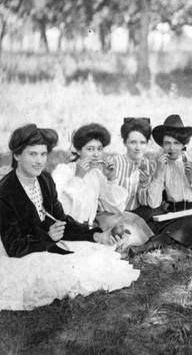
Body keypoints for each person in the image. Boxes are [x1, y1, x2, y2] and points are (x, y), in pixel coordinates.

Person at [0, 124, 139, 311]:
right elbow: (14, 246)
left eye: (43, 154)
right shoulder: (5, 191)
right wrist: (47, 238)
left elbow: (61, 219)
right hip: (23, 250)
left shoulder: (44, 179)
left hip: (48, 242)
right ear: (17, 156)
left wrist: (96, 235)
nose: (39, 161)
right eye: (32, 154)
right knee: (53, 271)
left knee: (97, 258)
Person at [51, 123, 153, 255]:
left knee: (129, 228)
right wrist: (78, 176)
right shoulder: (63, 170)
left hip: (88, 229)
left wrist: (110, 178)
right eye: (90, 149)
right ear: (78, 150)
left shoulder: (96, 174)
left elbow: (115, 206)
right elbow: (56, 207)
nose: (96, 154)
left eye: (99, 149)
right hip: (64, 231)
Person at [130, 114, 192, 254]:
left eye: (177, 143)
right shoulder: (161, 163)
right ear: (162, 145)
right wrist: (158, 174)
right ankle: (153, 241)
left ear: (183, 144)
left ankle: (148, 246)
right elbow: (153, 203)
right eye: (167, 143)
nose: (172, 148)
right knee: (152, 220)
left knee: (188, 225)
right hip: (173, 212)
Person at [111, 117, 159, 222]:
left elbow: (146, 202)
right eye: (133, 142)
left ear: (148, 143)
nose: (138, 147)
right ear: (124, 142)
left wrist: (145, 183)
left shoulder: (150, 166)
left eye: (142, 142)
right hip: (115, 214)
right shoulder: (115, 162)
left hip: (138, 215)